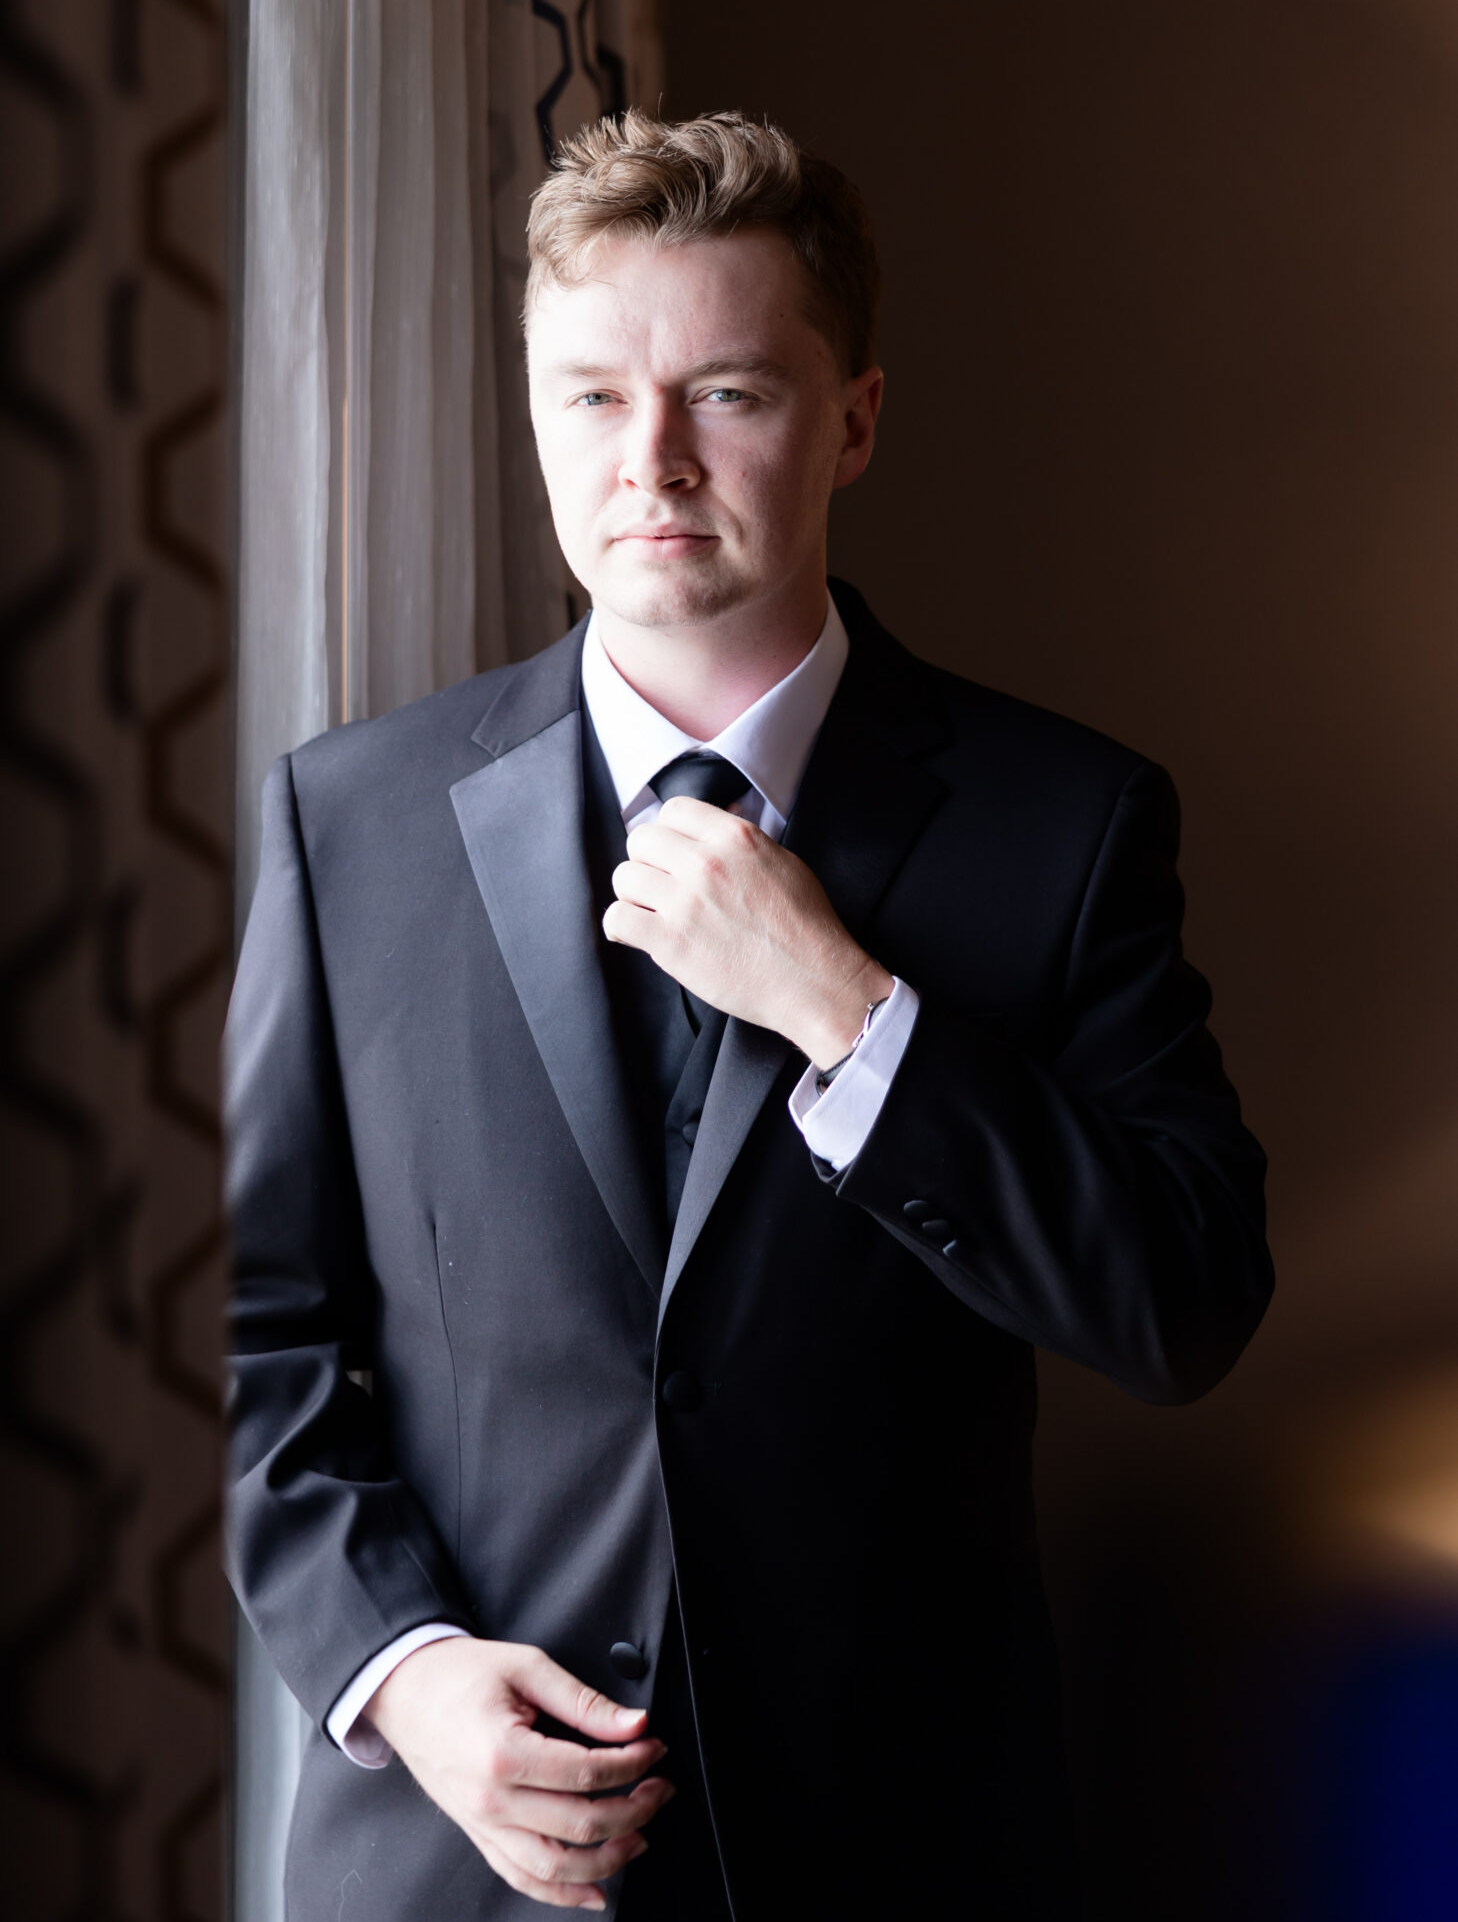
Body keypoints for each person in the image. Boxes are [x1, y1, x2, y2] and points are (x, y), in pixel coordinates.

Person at [225, 111, 1272, 1920]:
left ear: (852, 419)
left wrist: (854, 1016)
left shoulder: (1066, 824)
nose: (652, 463)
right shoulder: (349, 822)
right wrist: (399, 1671)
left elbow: (1182, 1301)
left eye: (727, 395)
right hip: (461, 1872)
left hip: (896, 1854)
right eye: (590, 399)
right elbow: (245, 1336)